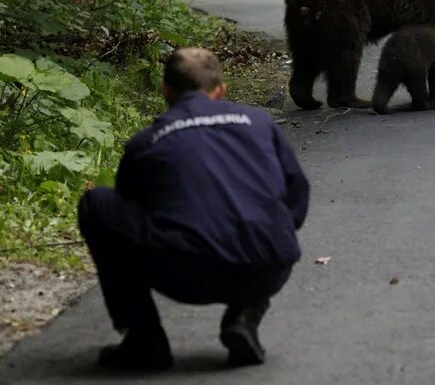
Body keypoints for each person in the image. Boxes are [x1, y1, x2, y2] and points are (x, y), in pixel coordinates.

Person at [78, 47, 309, 371]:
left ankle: (145, 341)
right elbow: (297, 194)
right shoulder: (260, 122)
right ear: (222, 91)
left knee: (97, 204)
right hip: (269, 267)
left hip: (185, 273)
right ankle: (246, 313)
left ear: (165, 91)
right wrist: (269, 236)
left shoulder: (146, 142)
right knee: (258, 220)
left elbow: (131, 211)